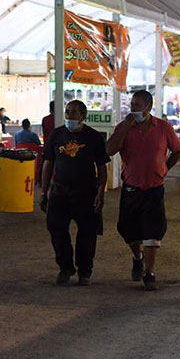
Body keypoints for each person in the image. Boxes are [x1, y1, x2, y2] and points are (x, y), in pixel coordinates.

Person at [106, 89, 180, 291]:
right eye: (131, 105)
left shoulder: (163, 127)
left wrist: (165, 167)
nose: (133, 110)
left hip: (154, 188)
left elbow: (177, 150)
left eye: (137, 106)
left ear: (148, 107)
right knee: (128, 231)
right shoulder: (124, 127)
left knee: (152, 232)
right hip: (131, 188)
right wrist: (124, 127)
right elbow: (109, 150)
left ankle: (149, 272)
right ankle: (137, 257)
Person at [40, 100, 110, 286]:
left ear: (83, 116)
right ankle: (65, 268)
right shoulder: (57, 134)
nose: (70, 116)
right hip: (60, 191)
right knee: (56, 230)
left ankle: (84, 271)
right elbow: (48, 163)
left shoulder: (93, 137)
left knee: (88, 234)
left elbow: (102, 168)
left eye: (75, 113)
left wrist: (100, 192)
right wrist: (44, 191)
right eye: (68, 112)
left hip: (86, 192)